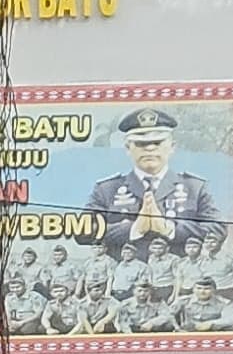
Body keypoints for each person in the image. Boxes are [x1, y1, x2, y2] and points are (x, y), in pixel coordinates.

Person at [89, 106, 225, 263]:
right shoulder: (106, 189)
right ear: (128, 148)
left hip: (179, 274)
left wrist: (169, 228)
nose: (150, 149)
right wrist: (133, 229)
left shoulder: (194, 187)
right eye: (140, 144)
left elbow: (218, 228)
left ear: (172, 146)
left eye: (157, 142)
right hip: (122, 275)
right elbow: (85, 230)